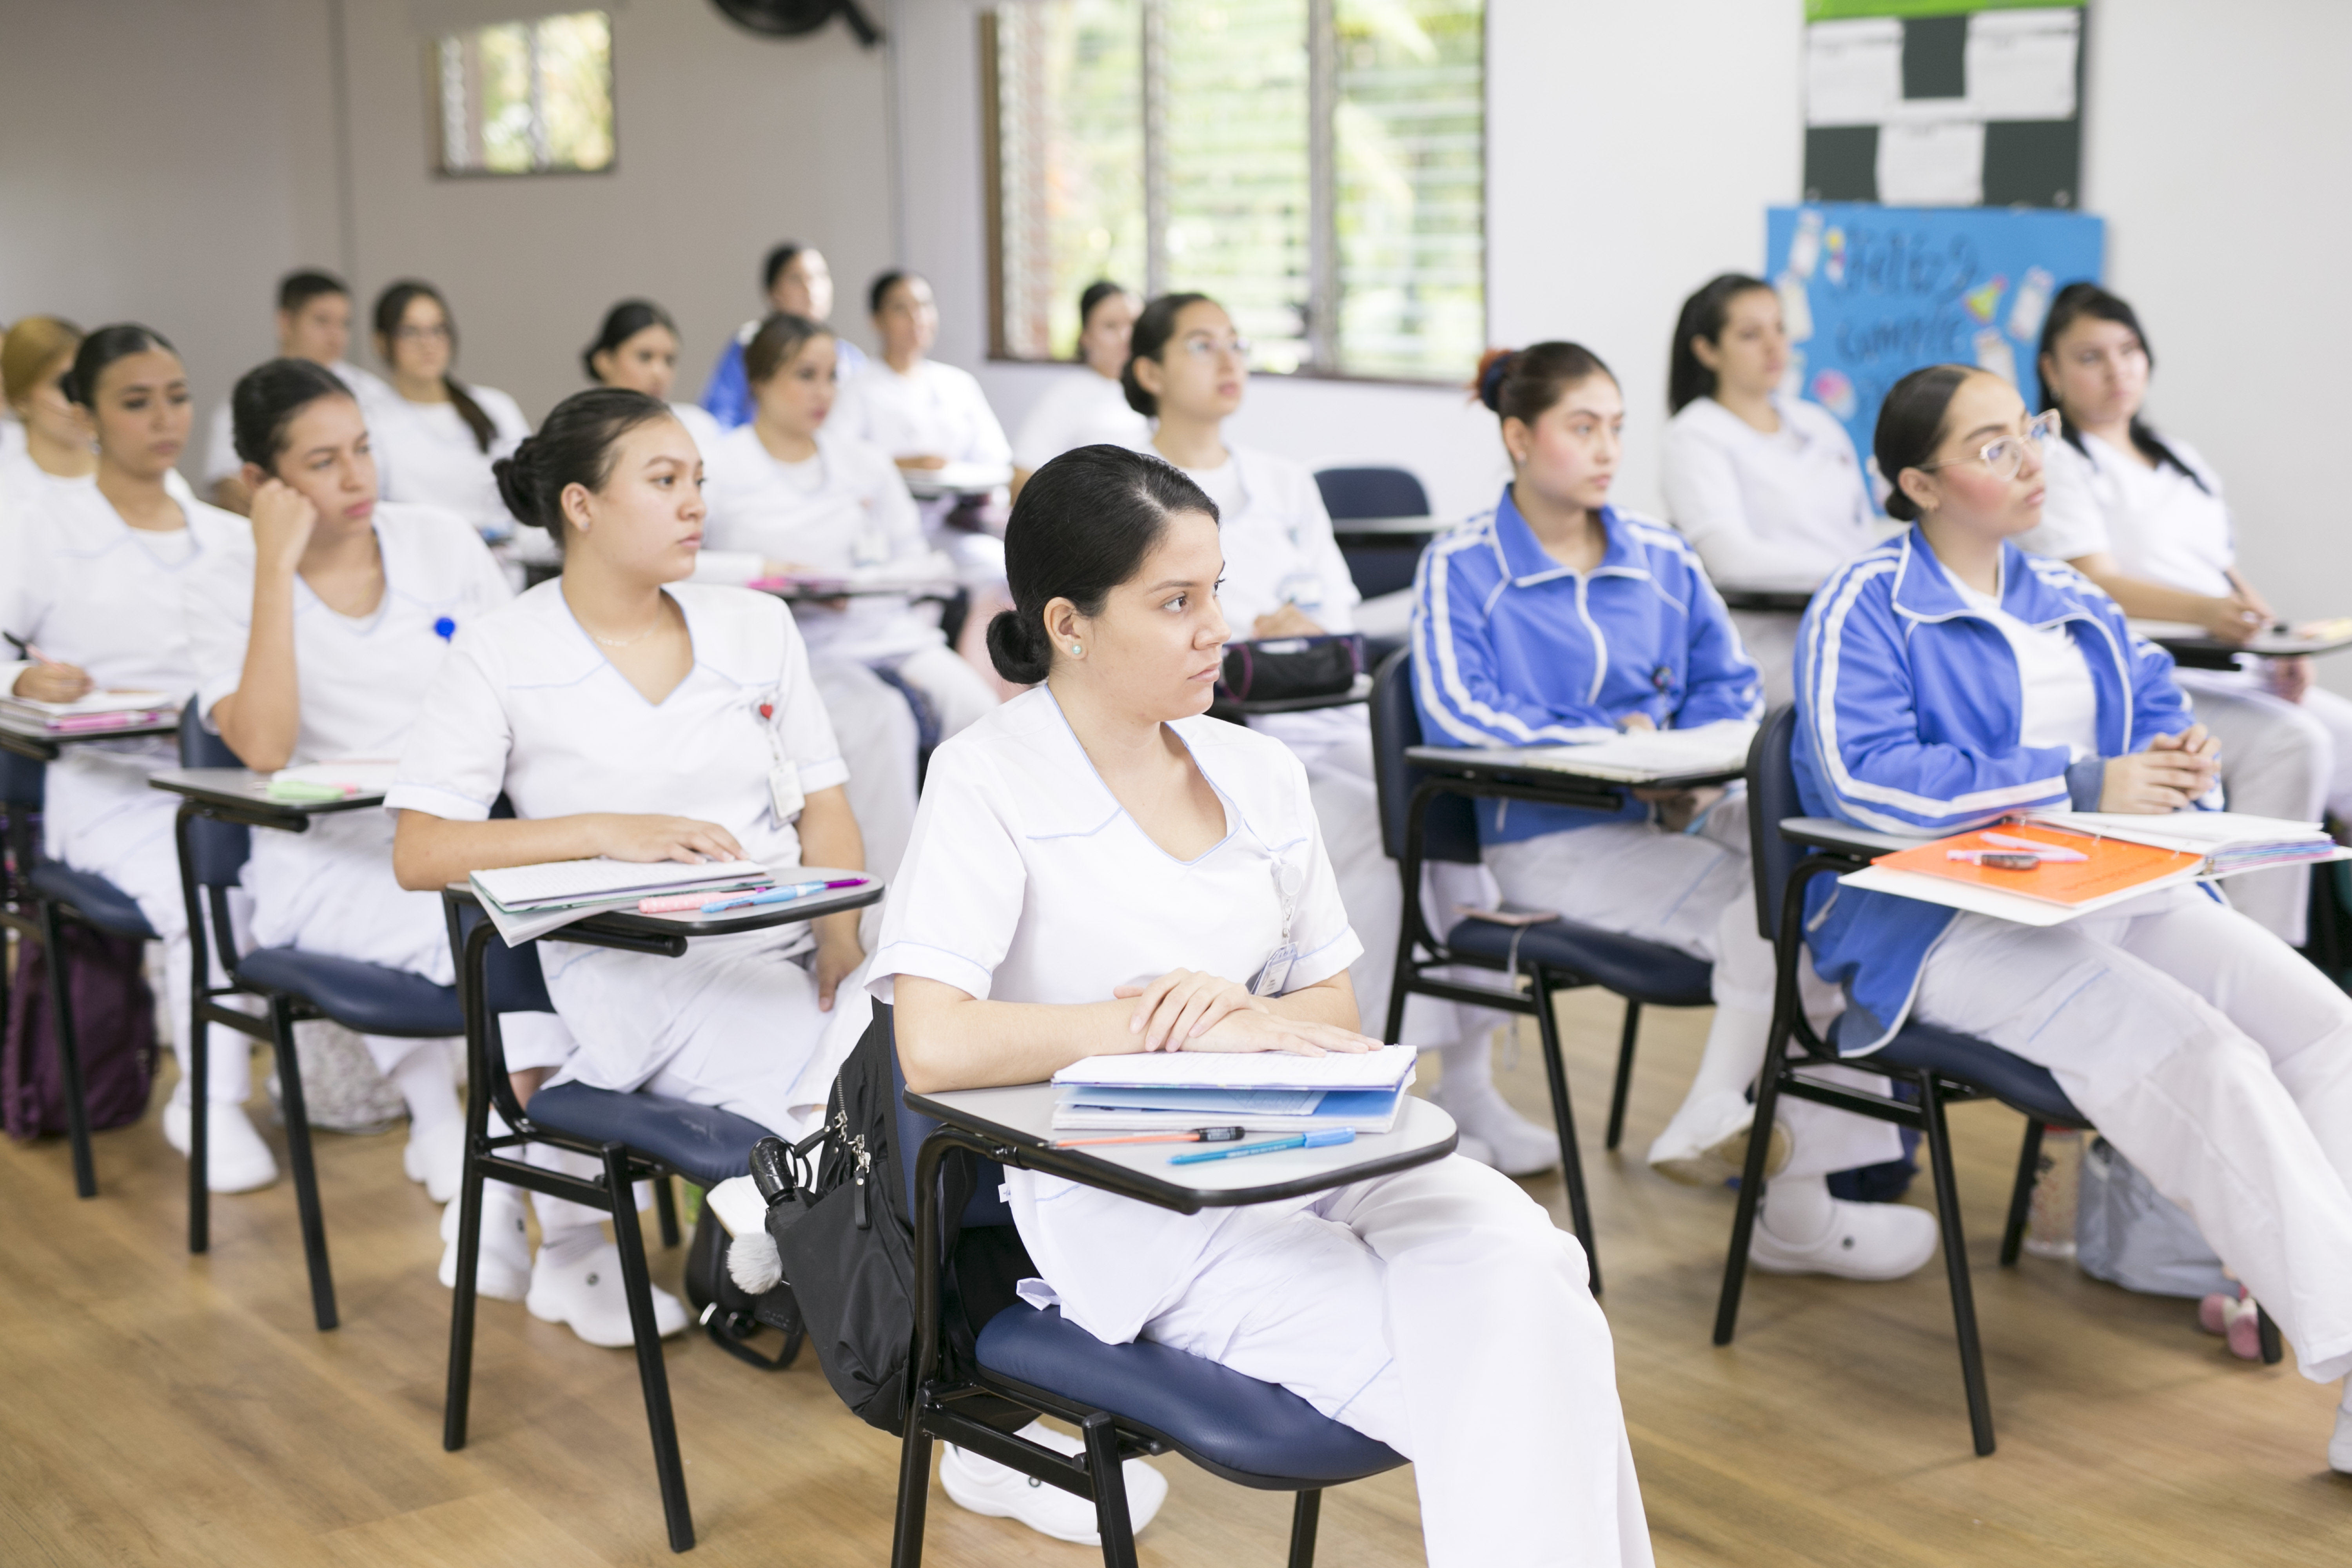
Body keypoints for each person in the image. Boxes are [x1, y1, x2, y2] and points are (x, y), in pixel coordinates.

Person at [876, 444, 1652, 1563]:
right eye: (1176, 601)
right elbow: (935, 1044)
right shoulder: (987, 779)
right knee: (1523, 1365)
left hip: (1313, 1152)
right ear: (1070, 622)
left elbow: (1330, 1011)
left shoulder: (1261, 773)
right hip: (1139, 1202)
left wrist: (1243, 1017)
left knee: (1537, 1266)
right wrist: (1163, 1019)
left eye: (1217, 591)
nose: (1216, 629)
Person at [1796, 360, 2352, 1476]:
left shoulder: (2070, 598)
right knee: (2210, 1058)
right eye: (1993, 445)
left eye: (2029, 432)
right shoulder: (1864, 604)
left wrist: (2185, 760)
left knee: (2328, 1025)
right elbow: (1863, 783)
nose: (2032, 459)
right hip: (1947, 922)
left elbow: (2154, 707)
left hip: (2108, 884)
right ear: (1920, 483)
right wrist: (2076, 782)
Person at [1414, 341, 1933, 1278]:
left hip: (1675, 810)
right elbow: (1458, 710)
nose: (1608, 448)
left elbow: (1730, 686)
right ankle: (1799, 1208)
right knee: (1786, 917)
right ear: (1520, 437)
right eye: (1582, 428)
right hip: (1549, 835)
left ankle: (1749, 1139)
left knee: (1833, 888)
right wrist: (1606, 742)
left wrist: (1682, 759)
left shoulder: (1657, 553)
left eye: (1616, 427)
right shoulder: (1461, 563)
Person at [388, 387, 871, 1349]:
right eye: (664, 481)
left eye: (698, 480)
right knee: (865, 1093)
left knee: (915, 1010)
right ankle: (789, 1200)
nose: (695, 503)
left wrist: (841, 944)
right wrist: (603, 829)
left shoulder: (754, 627)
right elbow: (423, 850)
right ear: (581, 504)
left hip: (779, 943)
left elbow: (824, 805)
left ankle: (779, 1195)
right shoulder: (501, 652)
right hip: (631, 964)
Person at [1123, 291, 1539, 1171]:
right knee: (1371, 837)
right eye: (1203, 345)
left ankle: (1472, 1083)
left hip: (1319, 708)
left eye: (1237, 341)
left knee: (1444, 814)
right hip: (1214, 728)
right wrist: (1237, 623)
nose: (1229, 358)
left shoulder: (1282, 481)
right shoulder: (1126, 487)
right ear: (1150, 370)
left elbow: (1338, 617)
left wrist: (1295, 619)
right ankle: (1385, 1077)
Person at [184, 358, 511, 1217]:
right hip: (320, 863)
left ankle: (479, 1139)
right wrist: (271, 569)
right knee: (481, 938)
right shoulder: (223, 584)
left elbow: (520, 695)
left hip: (457, 837)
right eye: (322, 461)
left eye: (362, 448)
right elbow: (264, 742)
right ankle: (486, 1143)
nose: (357, 475)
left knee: (536, 926)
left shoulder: (441, 540)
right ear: (263, 481)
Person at [0, 326, 264, 1189]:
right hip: (106, 791)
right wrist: (22, 674)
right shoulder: (40, 529)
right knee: (209, 893)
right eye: (135, 400)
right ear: (85, 414)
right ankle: (209, 1103)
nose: (165, 419)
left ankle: (432, 1109)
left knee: (313, 883)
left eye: (178, 396)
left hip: (223, 780)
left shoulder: (229, 535)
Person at [2019, 282, 2352, 946]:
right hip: (2157, 675)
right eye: (2091, 357)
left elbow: (2222, 572)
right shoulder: (2055, 460)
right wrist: (2211, 612)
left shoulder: (2180, 459)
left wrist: (2279, 643)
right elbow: (2093, 578)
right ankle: (2270, 947)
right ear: (2051, 371)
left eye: (2129, 351)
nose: (2117, 371)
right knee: (2299, 743)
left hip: (2231, 663)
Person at [697, 312, 998, 885]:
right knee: (882, 723)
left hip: (884, 628)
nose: (822, 392)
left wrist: (865, 581)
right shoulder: (722, 467)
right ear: (759, 380)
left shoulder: (862, 462)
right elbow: (684, 568)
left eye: (832, 376)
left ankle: (976, 883)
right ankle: (888, 905)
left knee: (982, 718)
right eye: (804, 375)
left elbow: (920, 558)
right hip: (805, 646)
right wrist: (768, 573)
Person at [1659, 273, 1879, 703]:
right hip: (1769, 653)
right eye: (1749, 335)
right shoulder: (1694, 435)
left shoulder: (1818, 424)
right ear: (1706, 350)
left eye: (1780, 328)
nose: (1774, 346)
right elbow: (1730, 559)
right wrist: (1849, 574)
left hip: (1858, 627)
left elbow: (1864, 536)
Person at [199, 272, 392, 516]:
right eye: (322, 321)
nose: (336, 336)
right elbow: (228, 487)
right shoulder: (253, 400)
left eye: (344, 324)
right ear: (285, 322)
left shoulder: (373, 393)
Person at [368, 281, 530, 541]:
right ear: (382, 342)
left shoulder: (495, 407)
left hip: (506, 564)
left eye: (438, 330)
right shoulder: (372, 421)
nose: (427, 343)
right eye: (410, 332)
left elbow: (530, 494)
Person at [3, 316, 198, 516]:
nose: (78, 401)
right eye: (66, 386)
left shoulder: (162, 483)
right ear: (20, 399)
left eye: (86, 386)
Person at [701, 243, 866, 430]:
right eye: (796, 279)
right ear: (774, 291)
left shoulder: (851, 357)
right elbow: (721, 418)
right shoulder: (749, 346)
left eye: (820, 277)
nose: (811, 289)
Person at [1009, 281, 1147, 497]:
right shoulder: (1066, 396)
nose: (1126, 337)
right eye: (1111, 326)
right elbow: (1021, 482)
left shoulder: (1164, 393)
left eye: (1135, 325)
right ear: (1085, 336)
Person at [582, 298, 724, 458]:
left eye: (669, 360)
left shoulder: (696, 426)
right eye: (645, 357)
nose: (659, 373)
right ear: (604, 361)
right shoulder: (577, 430)